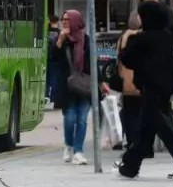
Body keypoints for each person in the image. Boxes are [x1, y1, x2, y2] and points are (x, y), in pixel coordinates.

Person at [116, 0, 173, 181]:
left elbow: (126, 58)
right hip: (167, 87)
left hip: (150, 88)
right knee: (148, 127)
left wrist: (129, 38)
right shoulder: (167, 36)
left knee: (163, 125)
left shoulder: (144, 38)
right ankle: (131, 165)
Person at [50, 9, 109, 165]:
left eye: (67, 20)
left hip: (85, 86)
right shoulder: (60, 39)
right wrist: (60, 41)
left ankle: (78, 151)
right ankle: (68, 145)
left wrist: (101, 82)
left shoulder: (86, 41)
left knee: (82, 119)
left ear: (76, 22)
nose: (64, 22)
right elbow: (53, 59)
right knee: (69, 119)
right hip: (68, 86)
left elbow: (93, 63)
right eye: (63, 19)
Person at [115, 12, 143, 153]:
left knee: (130, 113)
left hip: (127, 81)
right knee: (138, 113)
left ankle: (132, 141)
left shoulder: (123, 37)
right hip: (139, 81)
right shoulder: (141, 37)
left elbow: (119, 58)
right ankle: (137, 142)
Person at [45, 15, 61, 106]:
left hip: (46, 59)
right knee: (54, 79)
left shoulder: (46, 33)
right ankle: (53, 98)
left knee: (46, 79)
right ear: (58, 22)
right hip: (56, 60)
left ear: (50, 21)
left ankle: (46, 95)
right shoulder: (59, 33)